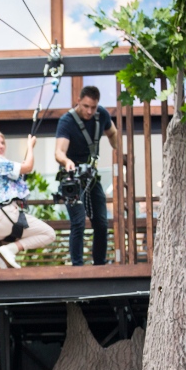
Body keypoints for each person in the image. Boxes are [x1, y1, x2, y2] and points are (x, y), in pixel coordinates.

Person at [0, 130, 55, 268]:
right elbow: (28, 167)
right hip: (4, 216)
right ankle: (9, 250)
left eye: (2, 143)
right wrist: (30, 146)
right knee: (49, 233)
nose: (1, 146)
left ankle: (7, 256)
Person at [54, 85, 118, 265]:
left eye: (93, 107)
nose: (90, 111)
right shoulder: (67, 121)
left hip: (91, 176)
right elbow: (58, 151)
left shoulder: (102, 115)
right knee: (79, 221)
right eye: (86, 106)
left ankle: (100, 263)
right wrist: (67, 162)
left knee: (101, 221)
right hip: (71, 178)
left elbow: (113, 133)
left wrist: (118, 151)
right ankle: (77, 266)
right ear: (78, 102)